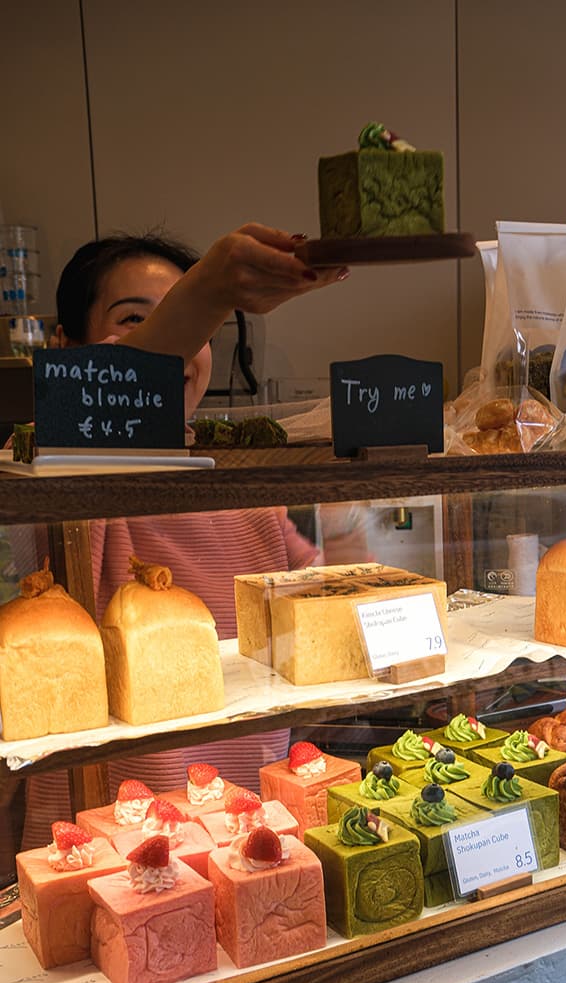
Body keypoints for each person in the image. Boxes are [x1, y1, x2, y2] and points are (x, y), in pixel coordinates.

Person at [19, 224, 351, 849]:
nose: (177, 348)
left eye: (191, 327)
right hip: (104, 844)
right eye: (135, 320)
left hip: (252, 833)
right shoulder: (51, 469)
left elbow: (330, 601)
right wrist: (212, 287)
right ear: (69, 348)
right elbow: (82, 412)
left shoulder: (245, 490)